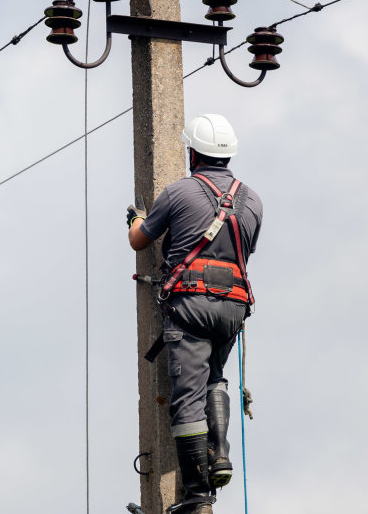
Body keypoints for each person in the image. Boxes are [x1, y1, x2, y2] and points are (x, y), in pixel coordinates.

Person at [126, 114, 263, 514]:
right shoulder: (252, 199)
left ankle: (197, 495)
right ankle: (219, 454)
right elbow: (242, 251)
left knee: (186, 400)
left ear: (193, 153)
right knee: (215, 379)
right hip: (233, 307)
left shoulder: (179, 192)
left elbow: (140, 240)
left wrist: (135, 219)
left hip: (191, 306)